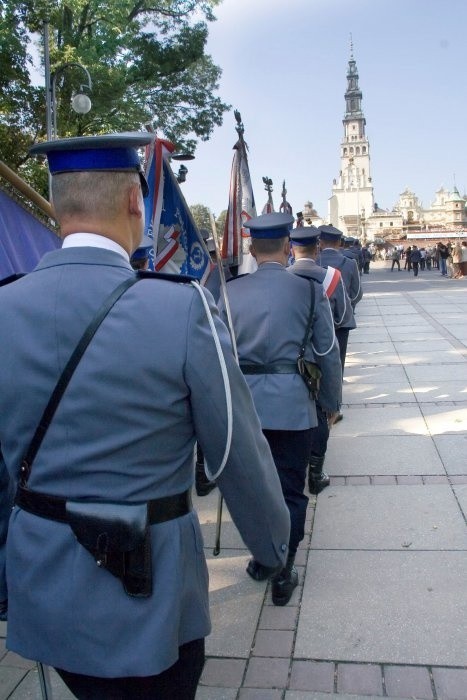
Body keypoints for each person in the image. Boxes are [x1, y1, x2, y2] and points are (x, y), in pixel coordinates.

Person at [0, 133, 290, 700]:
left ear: (60, 206)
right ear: (137, 203)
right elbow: (236, 451)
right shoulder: (181, 307)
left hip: (42, 577)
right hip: (148, 592)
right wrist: (272, 548)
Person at [219, 213, 342, 607]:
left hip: (244, 408)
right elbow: (327, 353)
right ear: (288, 246)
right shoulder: (309, 292)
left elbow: (216, 357)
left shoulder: (230, 292)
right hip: (293, 407)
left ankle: (261, 557)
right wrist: (331, 403)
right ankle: (284, 570)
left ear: (252, 249)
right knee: (290, 490)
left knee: (254, 490)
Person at [288, 226, 347, 494]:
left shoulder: (285, 278)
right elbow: (343, 312)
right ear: (318, 248)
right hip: (324, 348)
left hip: (292, 357)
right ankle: (316, 471)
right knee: (322, 413)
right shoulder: (332, 276)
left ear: (292, 249)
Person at [317, 224, 362, 379]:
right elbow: (357, 293)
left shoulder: (314, 262)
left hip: (317, 318)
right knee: (339, 355)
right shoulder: (350, 263)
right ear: (339, 243)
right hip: (343, 319)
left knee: (318, 354)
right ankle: (337, 390)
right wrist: (347, 305)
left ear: (320, 242)